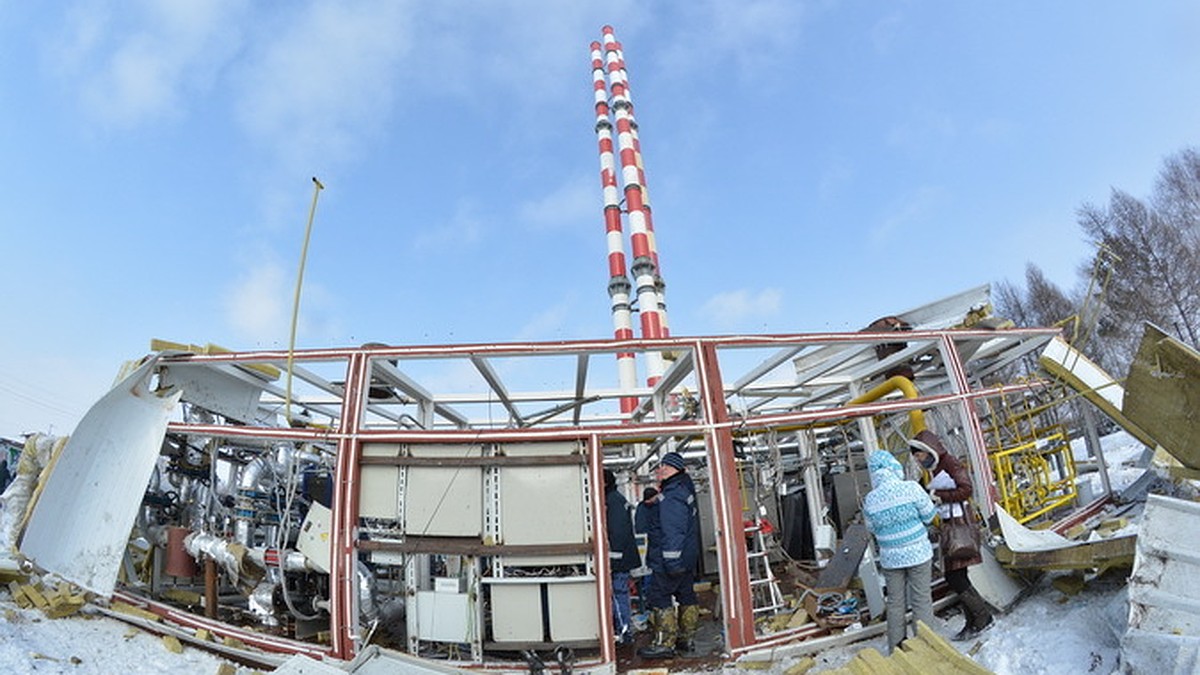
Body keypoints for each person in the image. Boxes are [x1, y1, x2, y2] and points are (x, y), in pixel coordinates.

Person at [909, 429, 995, 641]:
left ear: (928, 450)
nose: (918, 460)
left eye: (919, 455)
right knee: (958, 576)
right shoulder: (935, 467)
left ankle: (982, 617)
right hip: (951, 525)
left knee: (955, 576)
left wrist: (939, 496)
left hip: (959, 525)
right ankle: (974, 621)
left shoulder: (950, 463)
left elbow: (966, 489)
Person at [862, 449, 938, 653]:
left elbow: (871, 528)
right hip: (918, 554)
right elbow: (930, 516)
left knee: (895, 603)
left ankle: (896, 647)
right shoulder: (911, 488)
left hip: (890, 558)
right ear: (894, 467)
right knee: (921, 598)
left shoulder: (870, 499)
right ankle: (925, 647)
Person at [637, 451, 701, 660]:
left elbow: (673, 530)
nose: (658, 469)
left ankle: (664, 643)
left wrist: (671, 561)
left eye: (663, 466)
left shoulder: (672, 496)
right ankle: (686, 638)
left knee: (660, 596)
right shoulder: (682, 489)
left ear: (673, 468)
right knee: (686, 595)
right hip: (687, 558)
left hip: (670, 560)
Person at [604, 469, 641, 646]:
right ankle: (622, 630)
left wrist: (613, 559)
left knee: (618, 595)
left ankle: (624, 632)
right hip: (621, 556)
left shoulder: (613, 501)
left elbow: (617, 532)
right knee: (618, 595)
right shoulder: (614, 498)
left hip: (618, 559)